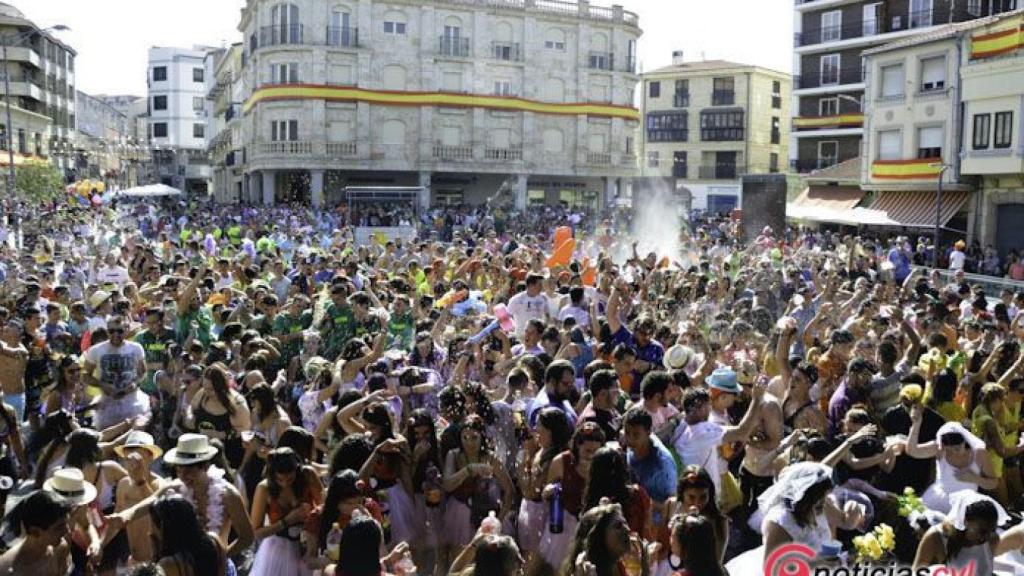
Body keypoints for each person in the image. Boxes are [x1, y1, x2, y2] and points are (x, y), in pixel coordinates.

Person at [249, 448, 323, 576]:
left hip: (309, 546)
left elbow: (325, 505)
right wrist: (286, 521)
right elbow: (256, 533)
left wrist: (313, 513)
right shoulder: (264, 488)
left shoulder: (308, 475)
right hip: (279, 549)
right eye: (280, 480)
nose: (285, 484)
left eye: (290, 479)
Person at [907, 411, 999, 514]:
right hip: (938, 500)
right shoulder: (939, 449)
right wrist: (916, 424)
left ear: (965, 441)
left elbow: (994, 483)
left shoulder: (980, 454)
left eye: (958, 448)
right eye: (949, 449)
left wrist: (975, 478)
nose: (954, 452)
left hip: (966, 504)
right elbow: (912, 451)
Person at [913, 491, 1009, 573]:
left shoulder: (993, 539)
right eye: (982, 531)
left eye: (992, 530)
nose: (986, 537)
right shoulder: (936, 537)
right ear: (965, 521)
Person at [82, 315, 149, 429]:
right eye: (111, 331)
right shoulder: (96, 350)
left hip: (132, 401)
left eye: (120, 331)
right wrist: (102, 384)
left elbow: (143, 373)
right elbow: (85, 375)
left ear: (126, 330)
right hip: (107, 403)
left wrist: (135, 384)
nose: (116, 334)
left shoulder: (136, 348)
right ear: (107, 331)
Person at [149, 494, 229, 576]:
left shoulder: (167, 565)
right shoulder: (214, 541)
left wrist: (155, 550)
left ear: (164, 527)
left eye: (153, 524)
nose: (150, 531)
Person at [0, 489, 72, 575]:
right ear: (34, 532)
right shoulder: (8, 570)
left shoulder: (60, 549)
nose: (68, 530)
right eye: (59, 527)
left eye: (66, 524)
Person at [563, 503, 646, 576]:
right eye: (618, 526)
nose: (627, 529)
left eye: (625, 524)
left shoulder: (622, 568)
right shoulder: (585, 571)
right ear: (598, 536)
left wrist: (645, 565)